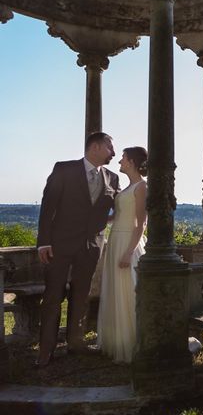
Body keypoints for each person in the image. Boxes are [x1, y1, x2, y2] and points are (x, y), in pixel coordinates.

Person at [36, 132, 119, 367]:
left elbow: (114, 210)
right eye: (110, 148)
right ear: (95, 147)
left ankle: (75, 343)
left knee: (81, 296)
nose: (113, 153)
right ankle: (45, 350)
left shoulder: (112, 178)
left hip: (92, 246)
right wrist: (44, 242)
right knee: (53, 296)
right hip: (59, 245)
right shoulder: (64, 169)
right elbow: (48, 206)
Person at [97, 146, 148, 364]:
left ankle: (134, 344)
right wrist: (94, 223)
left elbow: (141, 224)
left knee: (130, 291)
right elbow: (116, 217)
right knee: (115, 290)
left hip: (128, 242)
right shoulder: (127, 187)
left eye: (123, 158)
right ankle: (117, 341)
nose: (119, 161)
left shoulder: (142, 187)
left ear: (133, 162)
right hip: (116, 239)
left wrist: (129, 252)